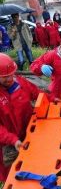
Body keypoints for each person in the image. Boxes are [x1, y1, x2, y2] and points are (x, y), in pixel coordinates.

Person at [0, 53, 41, 181]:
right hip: (8, 141)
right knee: (12, 174)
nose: (9, 79)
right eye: (4, 77)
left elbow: (38, 94)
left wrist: (53, 99)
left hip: (28, 132)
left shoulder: (20, 82)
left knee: (34, 163)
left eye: (11, 74)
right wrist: (12, 140)